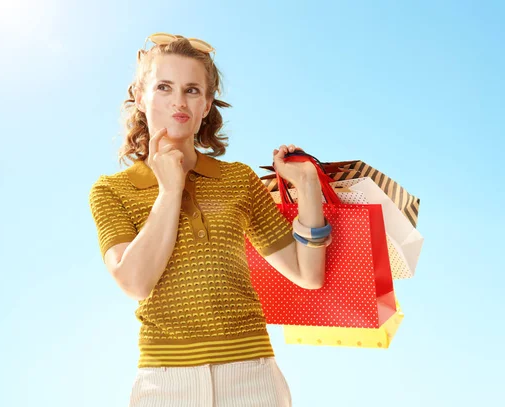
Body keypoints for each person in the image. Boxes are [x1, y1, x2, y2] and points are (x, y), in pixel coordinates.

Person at [88, 33, 332, 407]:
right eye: (164, 87)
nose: (179, 102)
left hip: (253, 375)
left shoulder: (238, 179)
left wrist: (308, 186)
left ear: (206, 105)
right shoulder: (111, 191)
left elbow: (308, 274)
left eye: (192, 90)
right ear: (140, 96)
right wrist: (169, 191)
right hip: (164, 382)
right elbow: (135, 282)